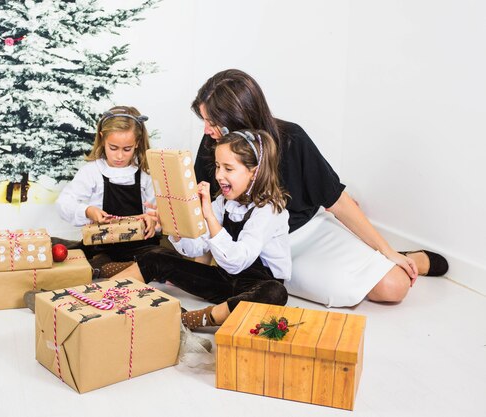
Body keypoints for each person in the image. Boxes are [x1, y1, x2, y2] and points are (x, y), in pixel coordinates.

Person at [192, 69, 448, 307]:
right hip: (255, 249)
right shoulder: (212, 143)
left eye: (212, 121)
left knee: (394, 286)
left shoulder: (292, 138)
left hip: (307, 234)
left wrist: (388, 251)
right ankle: (379, 261)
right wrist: (196, 265)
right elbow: (201, 206)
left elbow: (336, 200)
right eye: (204, 120)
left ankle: (406, 258)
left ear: (240, 115)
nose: (206, 130)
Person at [113, 129, 290, 330]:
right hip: (225, 281)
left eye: (228, 169)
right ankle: (103, 293)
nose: (219, 175)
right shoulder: (222, 202)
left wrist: (209, 216)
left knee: (275, 292)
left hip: (256, 285)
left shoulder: (269, 210)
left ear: (254, 172)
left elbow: (237, 261)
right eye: (217, 166)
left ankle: (192, 320)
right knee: (156, 256)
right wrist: (173, 226)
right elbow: (195, 248)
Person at [55, 105, 178, 277]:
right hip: (102, 244)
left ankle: (109, 268)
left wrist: (153, 220)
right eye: (113, 148)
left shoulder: (146, 174)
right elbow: (64, 204)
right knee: (78, 254)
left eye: (127, 149)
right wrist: (88, 211)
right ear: (102, 139)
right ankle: (113, 267)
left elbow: (160, 213)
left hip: (139, 247)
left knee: (164, 258)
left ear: (137, 143)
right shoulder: (92, 172)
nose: (119, 156)